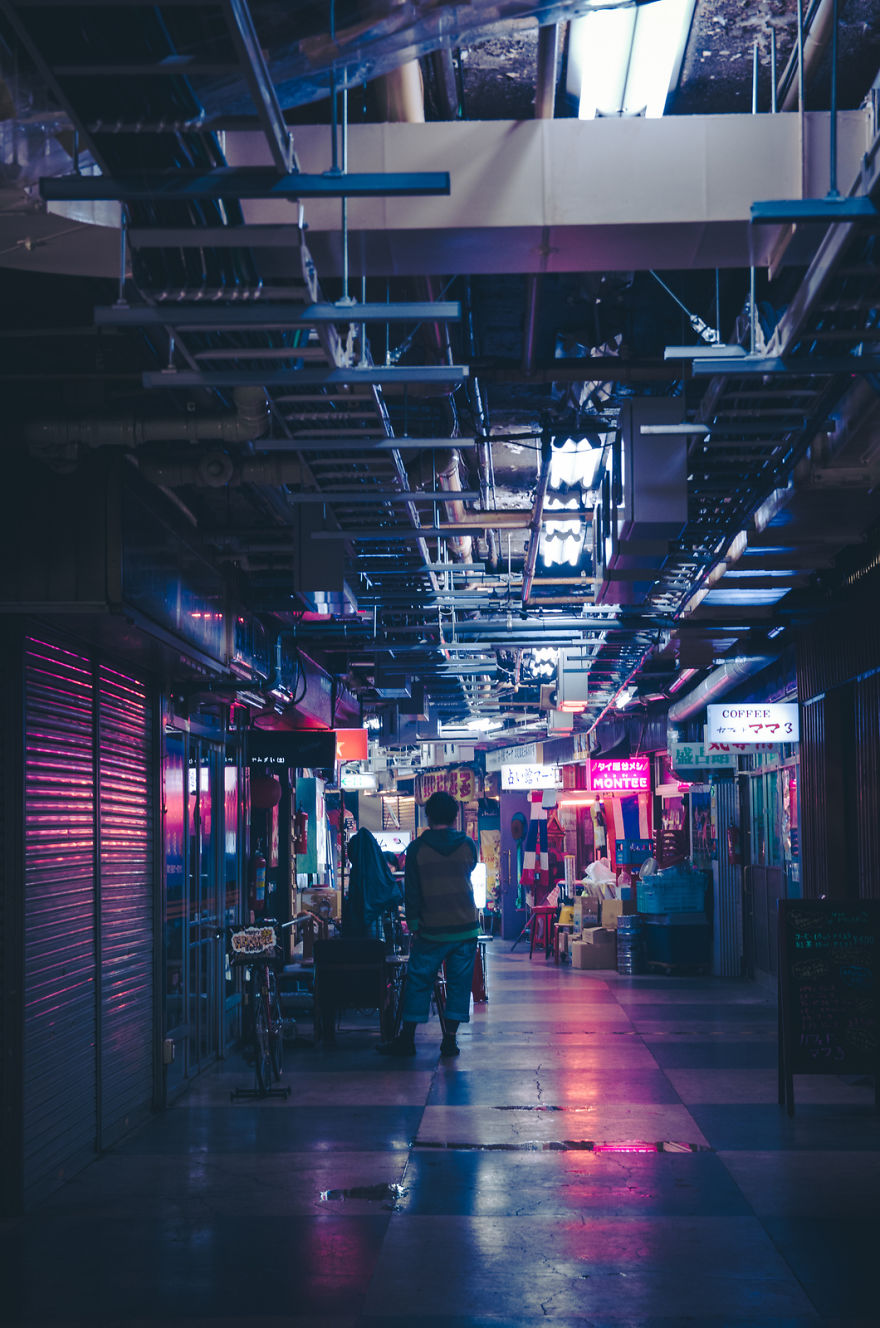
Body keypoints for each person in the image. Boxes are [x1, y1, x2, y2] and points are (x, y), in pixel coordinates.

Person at [377, 790, 479, 1059]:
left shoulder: (417, 849)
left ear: (428, 815)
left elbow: (411, 891)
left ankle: (407, 1039)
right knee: (459, 985)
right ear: (455, 816)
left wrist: (413, 923)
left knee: (418, 982)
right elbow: (469, 869)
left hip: (430, 929)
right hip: (465, 927)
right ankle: (450, 1040)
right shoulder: (468, 845)